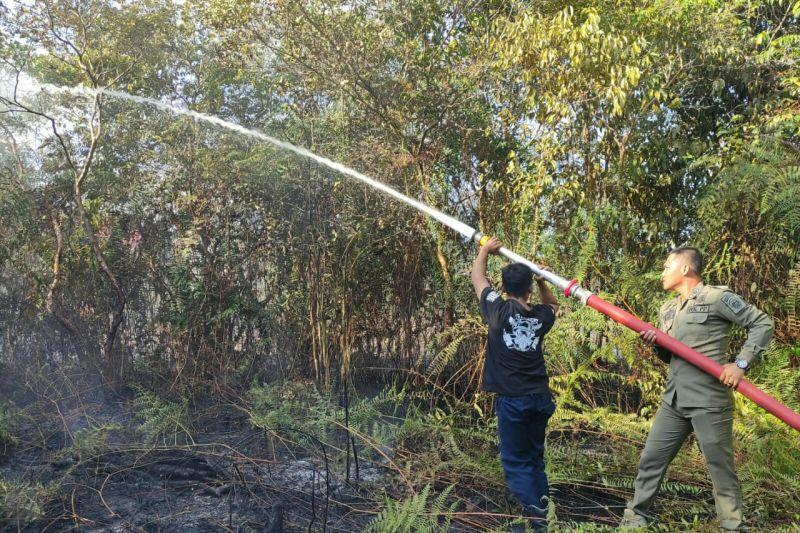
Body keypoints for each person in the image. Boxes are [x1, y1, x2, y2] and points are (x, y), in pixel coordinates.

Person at [621, 247, 774, 531]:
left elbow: (762, 323)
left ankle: (732, 525)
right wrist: (656, 345)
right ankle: (636, 517)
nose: (663, 273)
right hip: (674, 399)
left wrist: (740, 364)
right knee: (651, 459)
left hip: (709, 400)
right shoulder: (667, 309)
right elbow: (670, 356)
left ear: (685, 269)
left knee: (720, 468)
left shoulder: (716, 298)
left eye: (667, 266)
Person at [470, 236, 559, 531]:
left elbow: (478, 277)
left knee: (516, 464)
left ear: (504, 288)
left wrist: (484, 249)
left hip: (515, 402)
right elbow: (553, 305)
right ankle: (544, 515)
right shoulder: (540, 316)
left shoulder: (497, 310)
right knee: (533, 460)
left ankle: (537, 523)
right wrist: (544, 280)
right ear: (529, 289)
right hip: (539, 398)